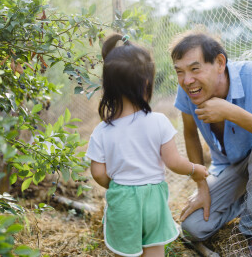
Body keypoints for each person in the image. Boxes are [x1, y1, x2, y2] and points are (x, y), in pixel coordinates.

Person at [170, 30, 252, 257]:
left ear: (220, 63)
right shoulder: (189, 91)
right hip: (231, 168)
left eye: (194, 69)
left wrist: (233, 112)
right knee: (193, 228)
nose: (186, 80)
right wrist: (201, 186)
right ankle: (250, 201)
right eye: (179, 72)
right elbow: (190, 135)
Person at [86, 33, 208, 257]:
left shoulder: (101, 132)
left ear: (109, 86)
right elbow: (173, 162)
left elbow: (98, 173)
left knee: (126, 252)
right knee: (154, 251)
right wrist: (194, 169)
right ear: (146, 83)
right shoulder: (158, 122)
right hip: (154, 202)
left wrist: (118, 185)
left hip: (123, 202)